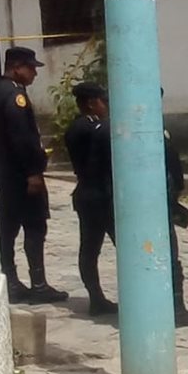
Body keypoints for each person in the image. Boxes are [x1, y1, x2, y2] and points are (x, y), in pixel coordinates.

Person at [0, 47, 68, 304]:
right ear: (16, 67)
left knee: (6, 229)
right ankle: (38, 284)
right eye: (31, 68)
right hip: (22, 177)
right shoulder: (16, 96)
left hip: (5, 177)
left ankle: (10, 279)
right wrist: (33, 172)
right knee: (35, 227)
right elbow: (22, 139)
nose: (35, 73)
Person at [64, 82, 117, 316]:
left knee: (90, 248)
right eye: (103, 101)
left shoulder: (81, 127)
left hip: (89, 193)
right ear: (91, 103)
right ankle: (97, 298)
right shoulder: (90, 129)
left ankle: (96, 298)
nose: (106, 106)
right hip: (99, 194)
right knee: (97, 248)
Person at [161, 88, 188, 327]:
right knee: (170, 256)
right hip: (158, 202)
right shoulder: (155, 132)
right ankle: (176, 307)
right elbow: (173, 166)